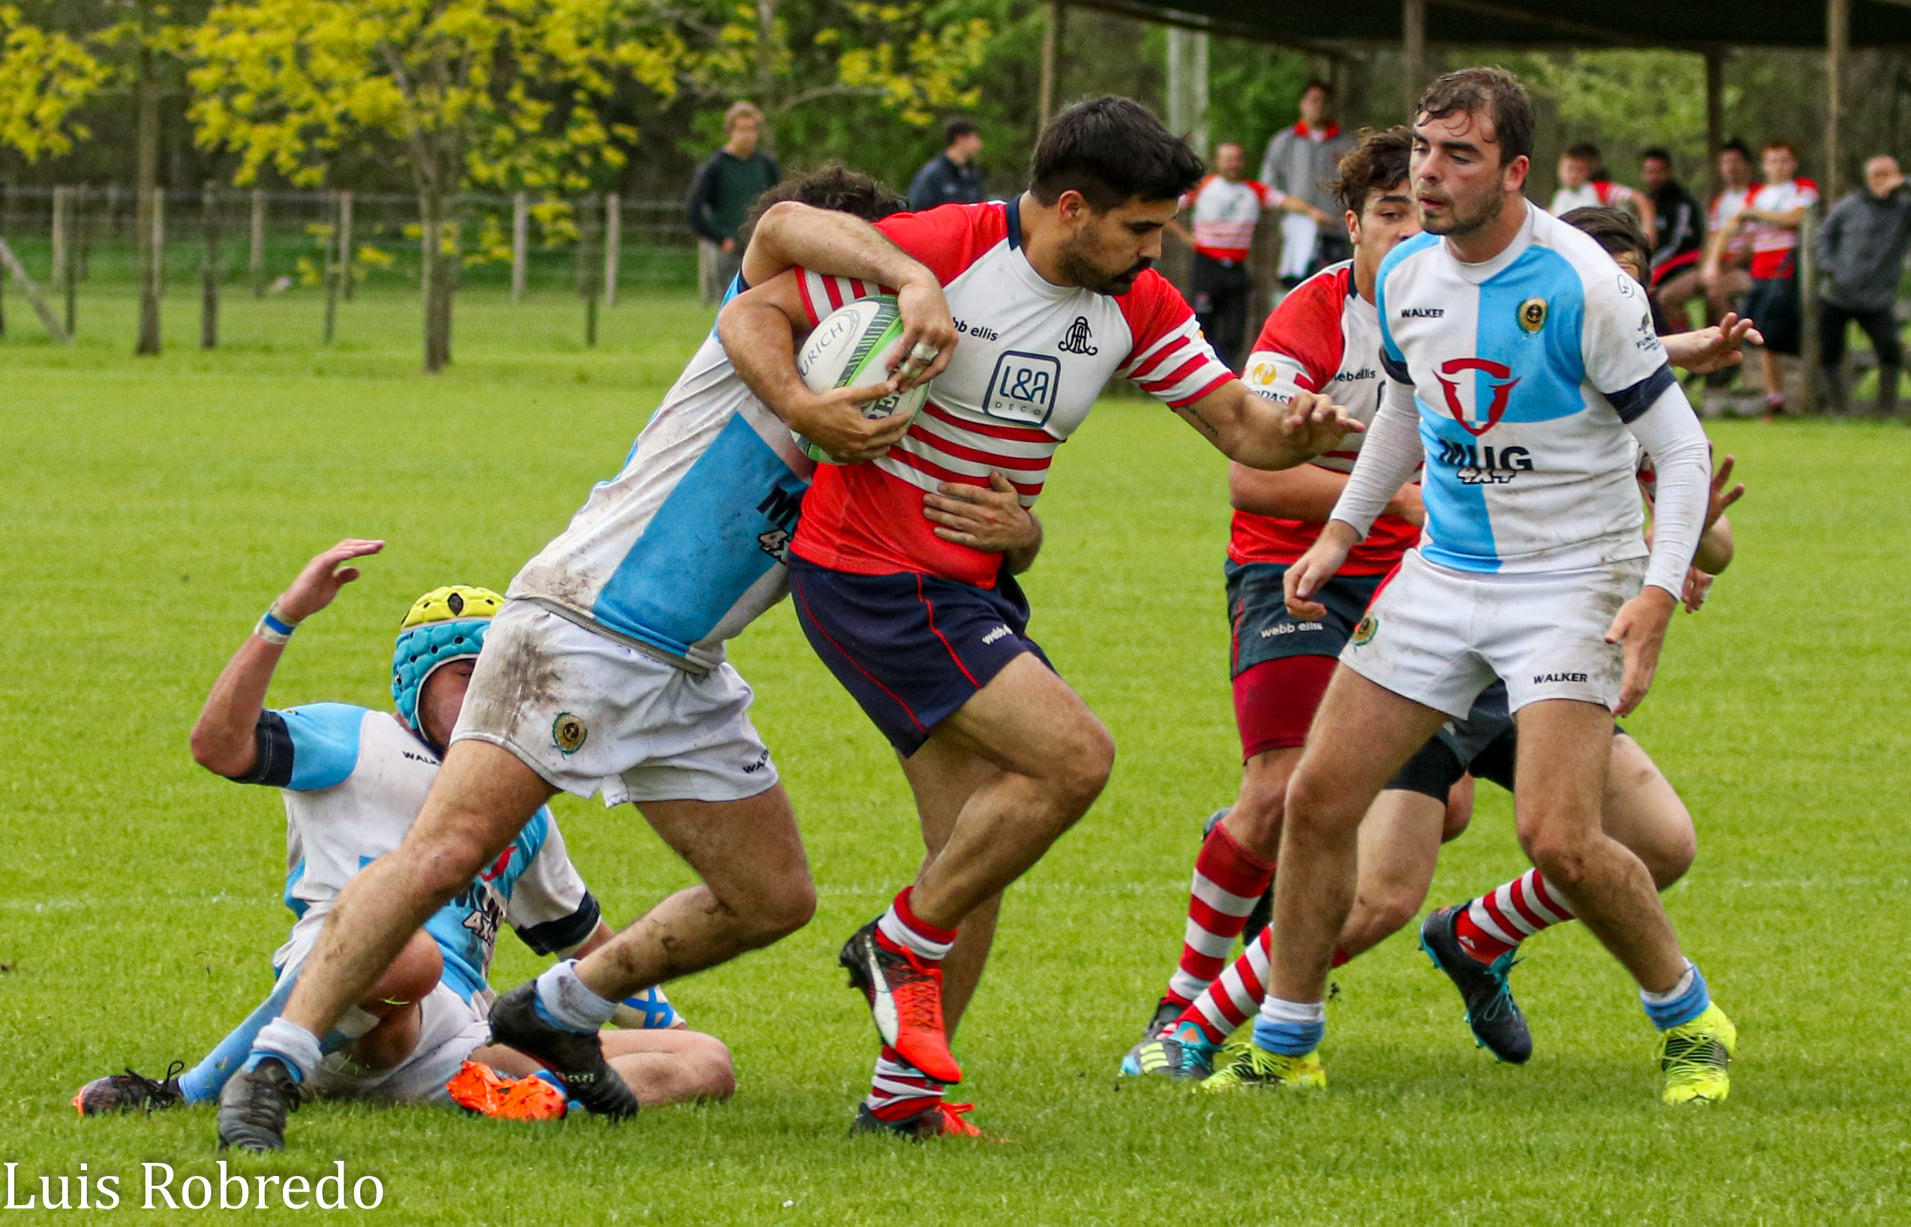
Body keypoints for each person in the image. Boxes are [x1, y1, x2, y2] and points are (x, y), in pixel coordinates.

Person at [210, 170, 1000, 1153]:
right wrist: (910, 276)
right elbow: (781, 223)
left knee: (773, 897)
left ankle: (556, 1006)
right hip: (585, 621)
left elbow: (935, 549)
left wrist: (1021, 529)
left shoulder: (880, 386)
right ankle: (272, 1066)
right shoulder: (753, 330)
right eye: (870, 255)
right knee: (448, 852)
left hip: (687, 668)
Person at [718, 95, 1359, 1137]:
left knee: (976, 845)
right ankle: (898, 944)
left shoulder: (1137, 301)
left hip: (969, 587)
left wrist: (1308, 431)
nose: (1157, 249)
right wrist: (803, 402)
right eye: (1141, 227)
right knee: (1073, 760)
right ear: (1072, 209)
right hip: (874, 577)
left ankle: (905, 1098)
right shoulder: (947, 248)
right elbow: (758, 291)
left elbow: (1242, 427)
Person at [1209, 66, 1734, 1108]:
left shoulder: (1587, 284)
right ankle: (1287, 1037)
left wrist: (1658, 598)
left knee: (1560, 840)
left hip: (1569, 584)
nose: (1431, 174)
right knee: (1318, 798)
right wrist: (1343, 531)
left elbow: (1679, 452)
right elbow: (1405, 413)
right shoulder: (1408, 275)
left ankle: (1689, 1018)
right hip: (1442, 575)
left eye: (1460, 155)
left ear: (1516, 170)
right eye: (1421, 151)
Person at [78, 544, 733, 1125]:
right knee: (408, 954)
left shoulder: (522, 804)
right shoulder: (356, 738)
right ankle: (200, 1087)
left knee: (706, 1061)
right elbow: (217, 745)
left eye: (505, 678)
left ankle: (529, 1098)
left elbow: (592, 950)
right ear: (416, 678)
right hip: (343, 1001)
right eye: (467, 674)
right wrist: (282, 618)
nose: (490, 696)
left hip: (457, 1042)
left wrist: (666, 1026)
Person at [1132, 125, 1425, 1044]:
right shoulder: (1308, 317)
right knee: (1281, 790)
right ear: (1351, 224)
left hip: (1409, 584)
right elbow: (1251, 476)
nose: (1409, 231)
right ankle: (1187, 994)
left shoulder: (1464, 316)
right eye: (1389, 213)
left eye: (1424, 211)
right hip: (1287, 565)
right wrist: (1400, 504)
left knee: (1438, 805)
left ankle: (1270, 971)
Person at [1168, 141, 1329, 371]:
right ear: (1218, 161)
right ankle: (1197, 373)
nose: (1233, 164)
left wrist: (1311, 212)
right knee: (1203, 324)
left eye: (1236, 159)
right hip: (1207, 265)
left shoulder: (1253, 191)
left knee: (1235, 329)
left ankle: (1224, 374)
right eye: (1228, 159)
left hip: (1235, 267)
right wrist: (1186, 238)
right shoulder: (1204, 187)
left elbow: (1283, 200)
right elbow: (1168, 210)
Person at [1716, 140, 1819, 414]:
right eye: (1773, 160)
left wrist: (1758, 215)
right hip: (1761, 270)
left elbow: (1797, 218)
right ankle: (1774, 397)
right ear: (1764, 166)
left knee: (1781, 331)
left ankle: (1792, 394)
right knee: (1762, 334)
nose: (1778, 166)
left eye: (1784, 160)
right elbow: (1731, 226)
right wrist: (1715, 261)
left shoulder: (1803, 188)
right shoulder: (1758, 195)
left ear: (1793, 163)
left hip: (1789, 268)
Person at [1814, 154, 1911, 414]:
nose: (1883, 181)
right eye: (1878, 175)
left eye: (1889, 174)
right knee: (1830, 353)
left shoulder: (1904, 209)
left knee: (1889, 351)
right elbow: (1823, 238)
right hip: (1837, 293)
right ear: (1868, 179)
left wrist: (1905, 184)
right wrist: (1831, 269)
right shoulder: (1847, 207)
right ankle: (1837, 410)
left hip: (1877, 299)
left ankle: (1886, 410)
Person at [1258, 80, 1357, 286]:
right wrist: (1302, 211)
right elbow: (1267, 189)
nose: (1318, 105)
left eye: (1323, 101)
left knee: (1336, 288)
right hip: (1295, 233)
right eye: (1313, 100)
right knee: (1294, 290)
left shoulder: (1347, 143)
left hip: (1335, 231)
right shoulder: (1284, 142)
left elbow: (1357, 185)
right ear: (1302, 103)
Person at [688, 101, 783, 304]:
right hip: (730, 250)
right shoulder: (716, 167)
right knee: (734, 307)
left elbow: (781, 202)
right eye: (742, 129)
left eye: (752, 129)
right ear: (730, 131)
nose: (748, 135)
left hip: (762, 249)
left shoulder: (765, 166)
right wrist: (720, 239)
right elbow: (694, 209)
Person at [1683, 139, 1759, 327]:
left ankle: (1734, 343)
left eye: (1736, 161)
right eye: (1726, 162)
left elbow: (1752, 244)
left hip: (1746, 268)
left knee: (1716, 289)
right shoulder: (1720, 202)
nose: (1731, 167)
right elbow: (1712, 238)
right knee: (1668, 295)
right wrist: (1705, 265)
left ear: (1747, 164)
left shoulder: (1758, 196)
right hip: (1718, 265)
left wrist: (1725, 267)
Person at [1639, 148, 1704, 319]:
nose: (1654, 177)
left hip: (1684, 266)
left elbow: (1677, 243)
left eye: (1659, 171)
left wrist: (1650, 264)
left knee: (1663, 298)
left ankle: (1683, 341)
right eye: (1649, 172)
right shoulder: (1645, 202)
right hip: (1655, 268)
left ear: (1669, 172)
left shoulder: (1683, 202)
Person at [1548, 143, 1656, 241]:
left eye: (1579, 170)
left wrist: (1648, 229)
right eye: (1570, 169)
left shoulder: (1599, 189)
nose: (1573, 175)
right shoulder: (1559, 197)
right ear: (1560, 170)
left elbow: (1640, 199)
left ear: (1587, 172)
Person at [908, 118, 989, 211]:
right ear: (960, 139)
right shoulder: (933, 174)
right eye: (975, 138)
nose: (979, 144)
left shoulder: (971, 174)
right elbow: (917, 207)